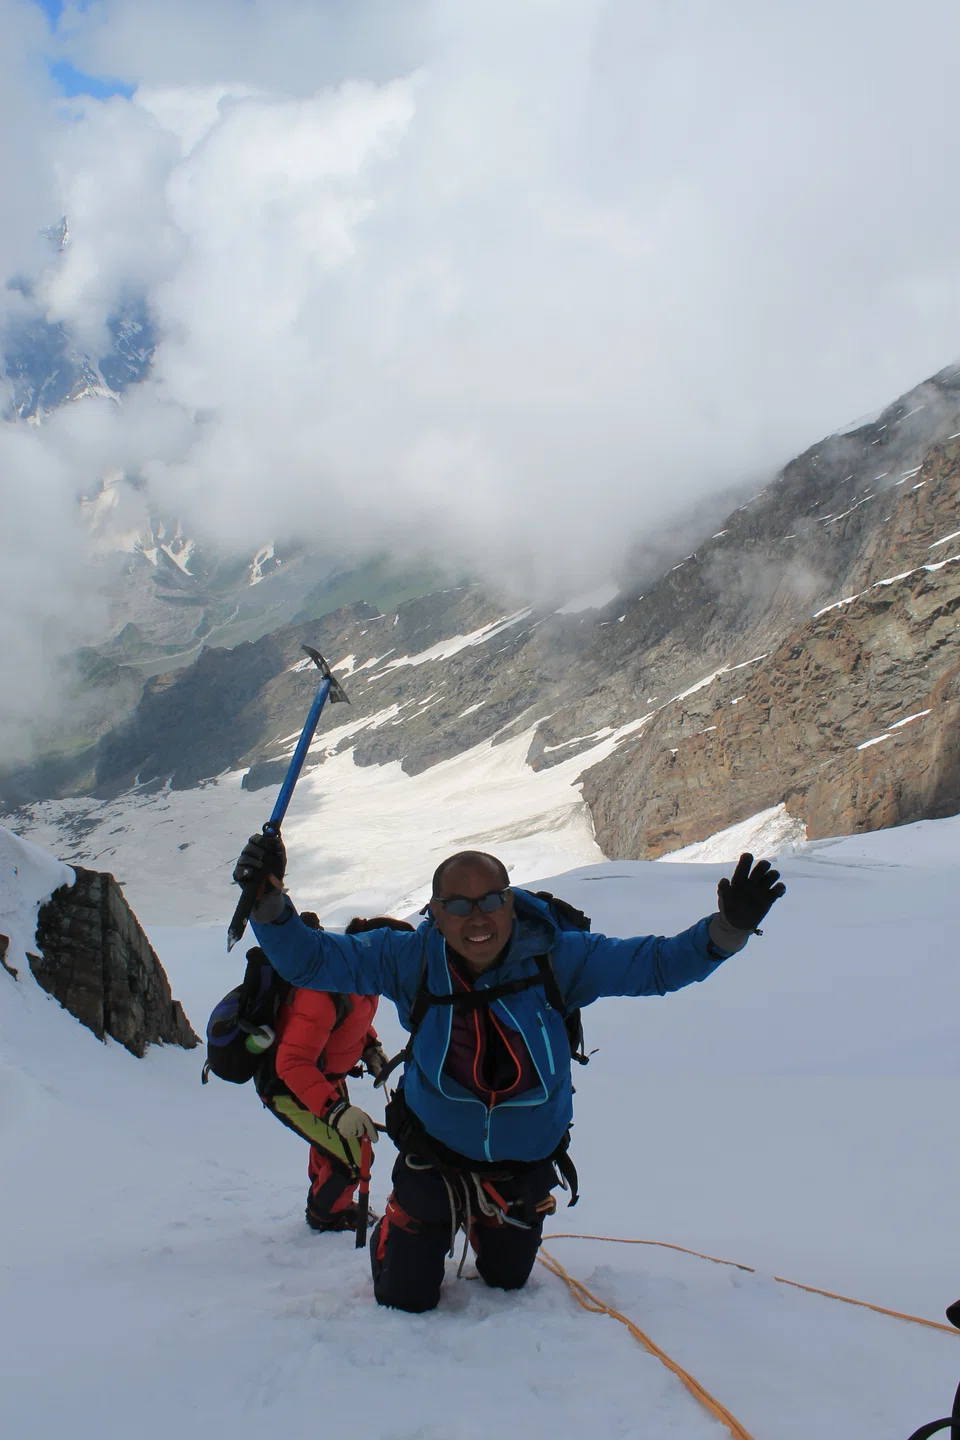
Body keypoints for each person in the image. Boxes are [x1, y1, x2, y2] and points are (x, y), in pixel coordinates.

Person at [233, 840, 784, 1309]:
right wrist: (270, 903)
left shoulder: (559, 958)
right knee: (405, 1295)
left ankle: (484, 1219)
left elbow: (658, 966)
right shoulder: (410, 958)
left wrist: (727, 930)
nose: (477, 918)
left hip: (522, 1164)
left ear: (512, 903)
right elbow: (311, 960)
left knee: (508, 1279)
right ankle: (412, 1224)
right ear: (435, 912)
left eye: (492, 900)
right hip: (436, 1154)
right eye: (458, 905)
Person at [258, 910, 412, 1233]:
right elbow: (292, 1062)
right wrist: (336, 1111)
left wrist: (370, 1048)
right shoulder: (324, 990)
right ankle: (325, 1215)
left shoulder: (363, 979)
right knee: (353, 1158)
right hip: (288, 1086)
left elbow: (352, 1021)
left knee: (333, 1148)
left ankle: (324, 1195)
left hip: (325, 1079)